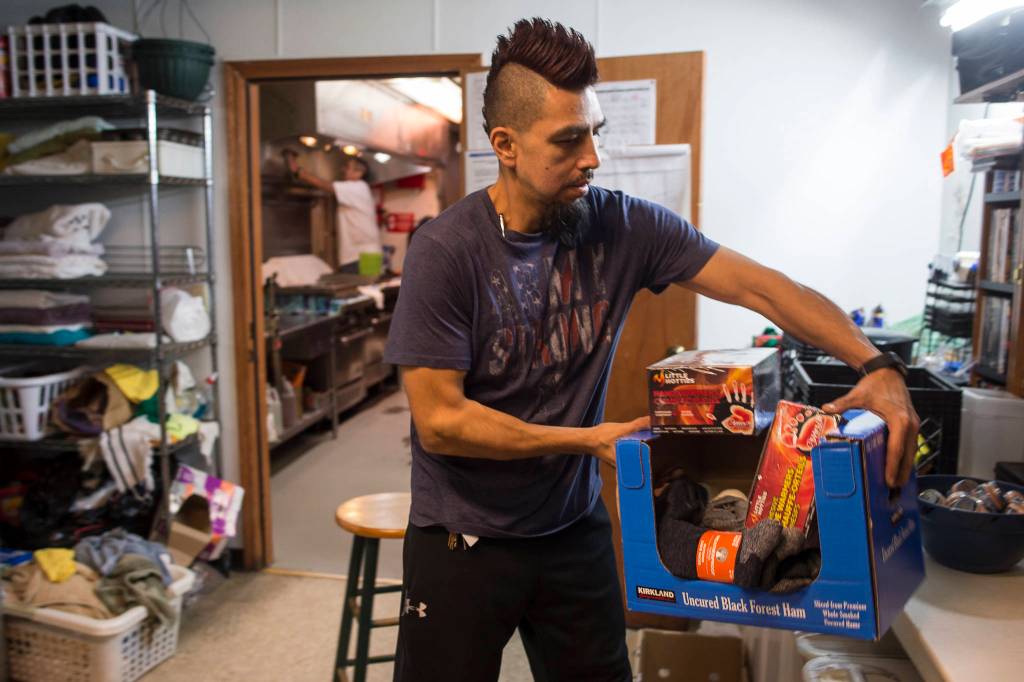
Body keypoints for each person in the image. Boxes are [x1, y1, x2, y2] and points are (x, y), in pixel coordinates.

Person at [383, 17, 919, 682]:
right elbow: (441, 424)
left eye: (595, 134)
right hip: (462, 540)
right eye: (568, 140)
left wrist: (876, 364)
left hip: (571, 530)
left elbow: (761, 287)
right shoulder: (446, 252)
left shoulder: (623, 224)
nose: (593, 158)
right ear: (506, 145)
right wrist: (585, 441)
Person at [285, 151, 380, 272]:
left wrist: (297, 171)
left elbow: (327, 186)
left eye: (347, 167)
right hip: (363, 255)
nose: (343, 169)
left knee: (362, 288)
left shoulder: (358, 187)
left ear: (359, 173)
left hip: (360, 257)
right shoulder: (359, 189)